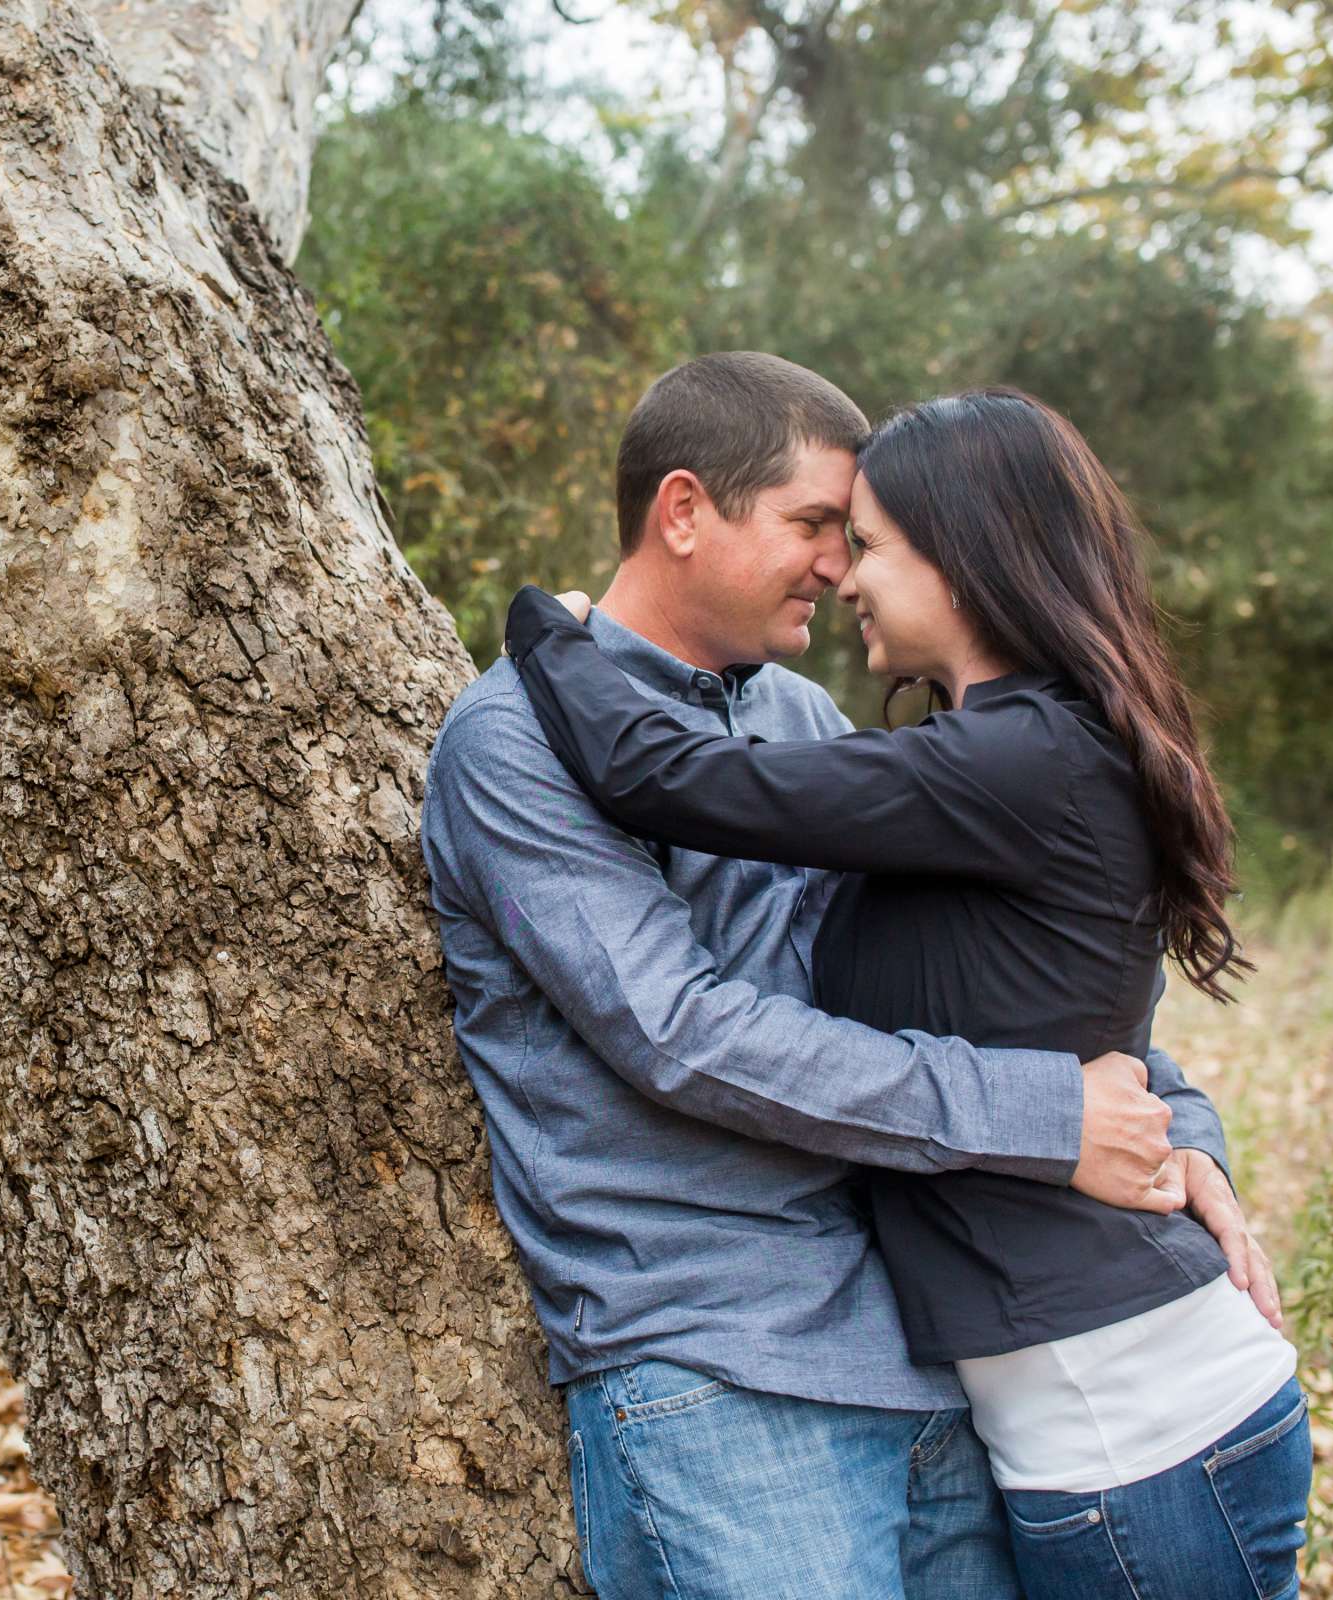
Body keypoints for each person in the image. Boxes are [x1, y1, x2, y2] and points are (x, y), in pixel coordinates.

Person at [418, 353, 1279, 1600]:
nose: (841, 565)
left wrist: (1172, 1125)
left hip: (929, 1347)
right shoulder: (513, 745)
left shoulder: (803, 723)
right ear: (683, 512)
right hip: (724, 1366)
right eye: (817, 525)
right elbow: (681, 1033)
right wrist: (1049, 1117)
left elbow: (996, 976)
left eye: (858, 535)